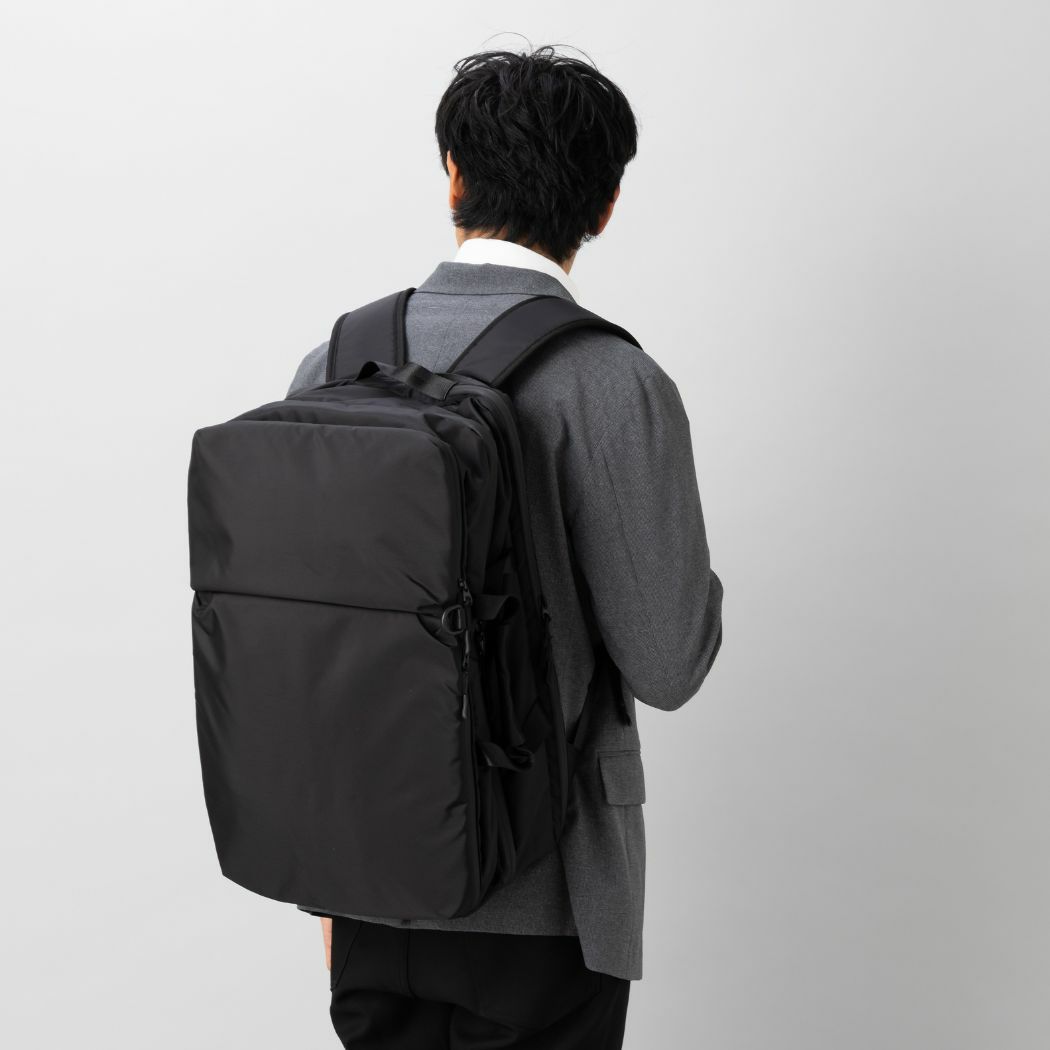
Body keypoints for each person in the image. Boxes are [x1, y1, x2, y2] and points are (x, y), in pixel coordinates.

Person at [287, 45, 724, 1050]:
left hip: (365, 889)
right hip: (546, 902)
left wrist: (331, 887)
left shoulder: (336, 362)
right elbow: (669, 663)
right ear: (606, 203)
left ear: (453, 174)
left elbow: (313, 642)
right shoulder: (610, 382)